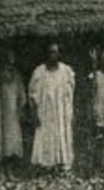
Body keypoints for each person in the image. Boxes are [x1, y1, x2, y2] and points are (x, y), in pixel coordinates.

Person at [28, 43, 76, 172]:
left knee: (61, 133)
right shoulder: (39, 72)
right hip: (45, 111)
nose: (52, 55)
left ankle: (62, 163)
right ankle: (46, 164)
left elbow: (70, 93)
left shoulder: (66, 71)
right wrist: (34, 113)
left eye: (55, 52)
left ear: (59, 54)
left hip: (61, 111)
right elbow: (33, 95)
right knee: (45, 134)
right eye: (50, 52)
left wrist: (69, 111)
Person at [0, 49, 28, 176]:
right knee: (2, 140)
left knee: (13, 143)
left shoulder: (16, 75)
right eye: (8, 57)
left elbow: (22, 94)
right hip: (1, 113)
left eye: (12, 57)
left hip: (13, 114)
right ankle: (1, 171)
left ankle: (10, 171)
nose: (10, 60)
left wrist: (20, 109)